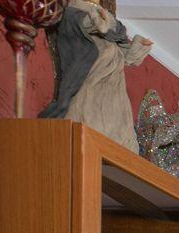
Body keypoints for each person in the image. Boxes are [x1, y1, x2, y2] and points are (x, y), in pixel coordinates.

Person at [41, 0, 153, 151]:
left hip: (115, 87)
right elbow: (81, 26)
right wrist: (96, 22)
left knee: (119, 129)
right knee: (91, 119)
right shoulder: (72, 12)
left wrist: (138, 47)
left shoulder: (112, 24)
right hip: (92, 79)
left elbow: (124, 55)